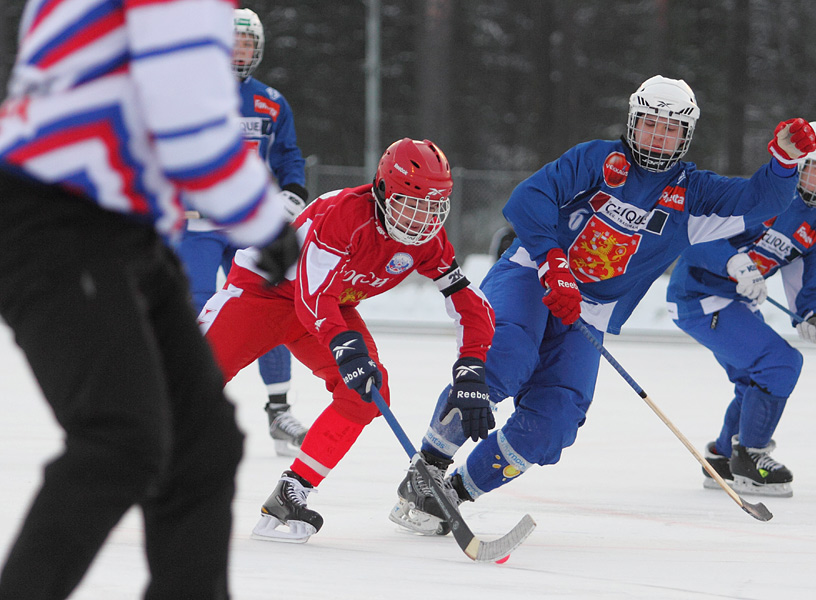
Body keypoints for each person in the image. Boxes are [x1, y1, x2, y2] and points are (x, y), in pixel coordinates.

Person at [388, 75, 816, 536]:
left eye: (670, 130)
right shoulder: (596, 158)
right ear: (633, 121)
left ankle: (452, 495)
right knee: (505, 357)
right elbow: (530, 197)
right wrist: (552, 261)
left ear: (686, 136)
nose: (658, 137)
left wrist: (783, 164)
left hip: (588, 312)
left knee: (555, 419)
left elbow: (758, 200)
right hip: (532, 274)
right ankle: (426, 469)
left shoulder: (695, 193)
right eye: (651, 124)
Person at [0, 1, 299, 598]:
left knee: (202, 444)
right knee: (120, 436)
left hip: (124, 227)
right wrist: (267, 222)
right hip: (60, 216)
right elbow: (188, 127)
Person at [197, 138, 495, 543]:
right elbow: (311, 293)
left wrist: (472, 365)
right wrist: (345, 346)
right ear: (384, 190)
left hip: (326, 308)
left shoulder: (427, 240)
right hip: (264, 294)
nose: (422, 220)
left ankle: (292, 492)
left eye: (433, 208)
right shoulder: (344, 214)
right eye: (412, 204)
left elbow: (468, 302)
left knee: (369, 393)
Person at [665, 122, 816, 498]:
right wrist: (734, 262)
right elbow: (693, 236)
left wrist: (815, 314)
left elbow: (812, 285)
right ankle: (751, 457)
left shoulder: (815, 228)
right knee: (780, 363)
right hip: (699, 296)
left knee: (756, 379)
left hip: (737, 304)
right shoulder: (763, 198)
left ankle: (723, 456)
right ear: (799, 165)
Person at [176, 8, 310, 457]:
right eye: (231, 42)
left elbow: (289, 155)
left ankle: (278, 409)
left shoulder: (270, 101)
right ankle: (189, 403)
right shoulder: (190, 94)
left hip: (247, 225)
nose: (238, 51)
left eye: (246, 44)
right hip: (198, 223)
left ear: (257, 49)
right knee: (194, 306)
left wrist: (292, 192)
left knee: (270, 304)